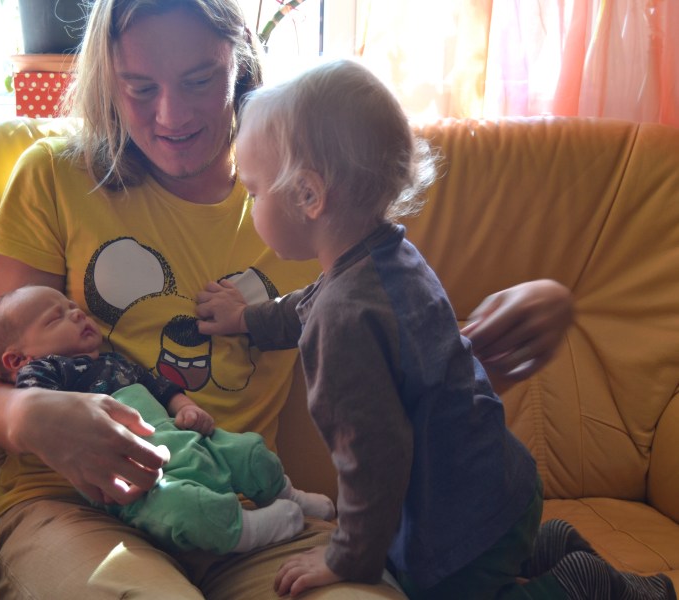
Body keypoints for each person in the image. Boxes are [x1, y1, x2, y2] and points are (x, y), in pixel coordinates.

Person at [0, 0, 574, 597]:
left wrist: (540, 303)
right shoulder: (54, 175)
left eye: (199, 80)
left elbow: (412, 367)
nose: (170, 114)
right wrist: (31, 416)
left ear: (237, 63)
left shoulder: (300, 194)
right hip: (75, 505)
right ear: (108, 81)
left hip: (249, 505)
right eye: (140, 88)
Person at [195, 59, 676, 600]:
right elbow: (304, 305)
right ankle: (552, 544)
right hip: (502, 485)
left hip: (460, 527)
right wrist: (245, 319)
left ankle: (582, 584)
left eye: (254, 191)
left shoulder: (343, 322)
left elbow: (373, 458)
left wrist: (346, 557)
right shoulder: (387, 258)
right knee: (508, 549)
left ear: (308, 195)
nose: (249, 204)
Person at [0, 284, 336, 556]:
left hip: (187, 441)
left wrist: (185, 406)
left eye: (73, 307)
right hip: (139, 479)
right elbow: (36, 405)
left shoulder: (114, 361)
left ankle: (286, 493)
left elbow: (160, 386)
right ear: (18, 360)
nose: (77, 314)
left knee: (250, 452)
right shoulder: (45, 373)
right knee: (184, 510)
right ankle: (247, 531)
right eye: (56, 318)